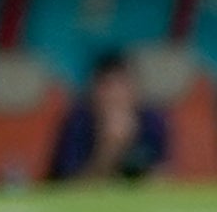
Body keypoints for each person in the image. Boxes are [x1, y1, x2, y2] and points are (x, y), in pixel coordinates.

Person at [51, 49, 170, 182]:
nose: (115, 95)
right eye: (108, 86)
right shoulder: (78, 122)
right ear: (94, 91)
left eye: (122, 85)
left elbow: (163, 178)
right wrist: (109, 149)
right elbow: (70, 189)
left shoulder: (152, 121)